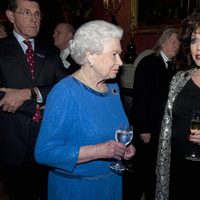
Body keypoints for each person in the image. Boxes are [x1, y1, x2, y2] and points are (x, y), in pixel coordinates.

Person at [35, 20, 136, 200]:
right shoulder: (65, 93)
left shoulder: (113, 89)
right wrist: (100, 151)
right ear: (90, 55)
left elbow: (116, 131)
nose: (120, 62)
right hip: (77, 189)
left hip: (111, 184)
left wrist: (124, 148)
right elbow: (44, 152)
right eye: (114, 54)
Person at [0, 0, 67, 199]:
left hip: (47, 140)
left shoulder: (51, 52)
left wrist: (28, 93)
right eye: (27, 12)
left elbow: (66, 87)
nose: (34, 18)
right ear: (11, 16)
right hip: (11, 142)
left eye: (37, 14)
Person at [131, 28, 180, 200]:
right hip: (148, 130)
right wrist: (144, 128)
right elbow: (140, 96)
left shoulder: (172, 67)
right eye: (174, 41)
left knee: (154, 170)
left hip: (162, 129)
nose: (178, 45)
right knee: (141, 171)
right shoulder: (149, 62)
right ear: (164, 41)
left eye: (179, 42)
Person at [156, 13, 200, 200]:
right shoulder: (179, 79)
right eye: (194, 40)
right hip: (176, 167)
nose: (198, 47)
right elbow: (167, 124)